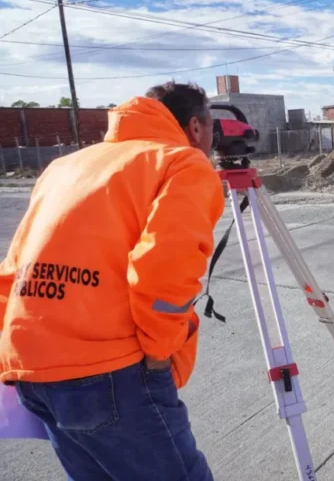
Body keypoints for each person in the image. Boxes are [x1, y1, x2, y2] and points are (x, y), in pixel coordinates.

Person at [0, 82, 225, 480]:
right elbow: (165, 267)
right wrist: (159, 352)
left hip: (30, 370)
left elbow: (15, 265)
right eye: (211, 128)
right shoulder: (180, 163)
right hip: (110, 374)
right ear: (195, 127)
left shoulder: (65, 166)